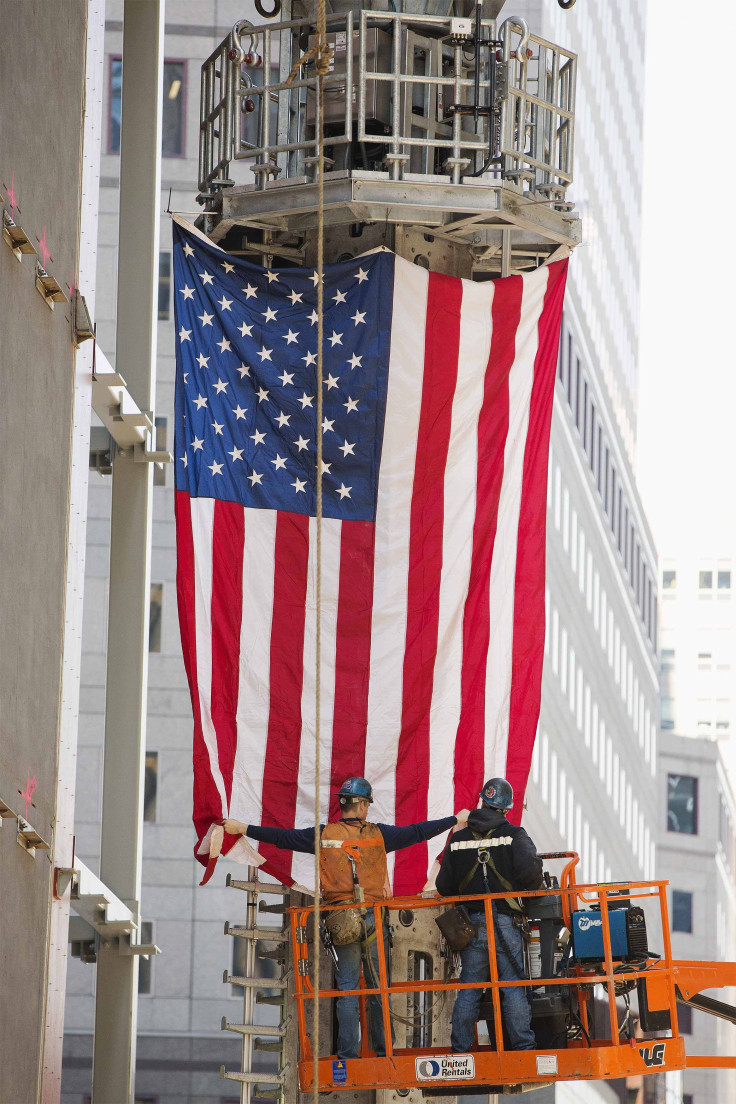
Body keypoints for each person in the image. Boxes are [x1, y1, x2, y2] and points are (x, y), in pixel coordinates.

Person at [224, 776, 470, 1060]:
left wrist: (243, 828)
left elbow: (283, 838)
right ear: (364, 805)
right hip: (374, 920)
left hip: (341, 921)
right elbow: (417, 832)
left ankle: (347, 1054)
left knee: (348, 989)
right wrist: (454, 819)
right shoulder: (380, 835)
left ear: (343, 804)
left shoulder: (323, 834)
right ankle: (383, 1052)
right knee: (379, 989)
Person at [435, 776, 543, 1053]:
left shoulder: (457, 840)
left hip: (471, 927)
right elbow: (531, 873)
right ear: (506, 809)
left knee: (470, 988)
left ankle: (459, 1050)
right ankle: (523, 1047)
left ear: (482, 802)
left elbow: (444, 886)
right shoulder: (514, 835)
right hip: (505, 923)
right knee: (512, 988)